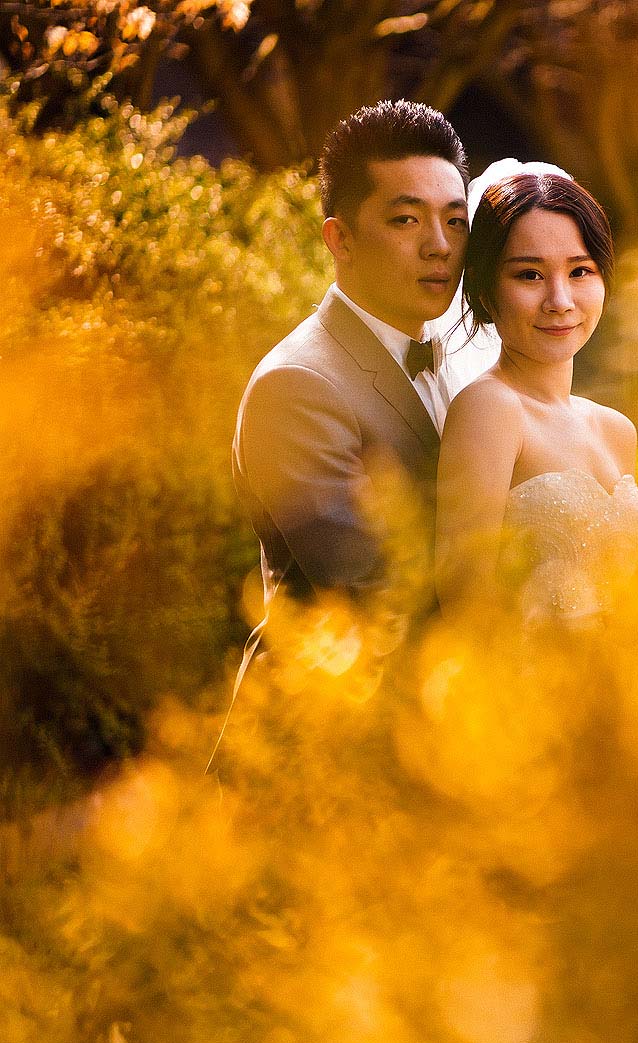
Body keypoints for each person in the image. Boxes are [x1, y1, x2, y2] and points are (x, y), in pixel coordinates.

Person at [214, 100, 470, 769]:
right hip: (319, 755)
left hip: (430, 739)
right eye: (407, 219)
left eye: (454, 220)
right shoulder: (297, 386)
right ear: (341, 239)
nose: (439, 244)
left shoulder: (458, 362)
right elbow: (362, 588)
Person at [434, 168, 638, 621]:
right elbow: (464, 608)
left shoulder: (616, 430)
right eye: (530, 275)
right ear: (486, 291)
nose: (560, 299)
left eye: (579, 271)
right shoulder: (489, 409)